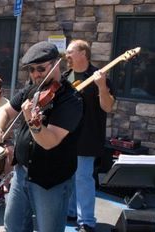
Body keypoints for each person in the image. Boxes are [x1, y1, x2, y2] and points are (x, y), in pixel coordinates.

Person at [0, 41, 84, 232]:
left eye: (41, 68)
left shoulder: (71, 100)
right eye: (31, 70)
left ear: (56, 64)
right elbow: (5, 111)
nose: (35, 74)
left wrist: (33, 123)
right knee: (13, 226)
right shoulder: (32, 89)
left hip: (50, 181)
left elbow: (50, 141)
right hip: (22, 173)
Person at [65, 39, 115, 232]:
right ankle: (71, 211)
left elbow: (108, 106)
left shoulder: (99, 77)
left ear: (83, 54)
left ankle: (86, 221)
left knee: (83, 177)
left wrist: (101, 86)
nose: (66, 56)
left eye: (70, 52)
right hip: (65, 136)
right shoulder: (65, 77)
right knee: (69, 176)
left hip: (87, 136)